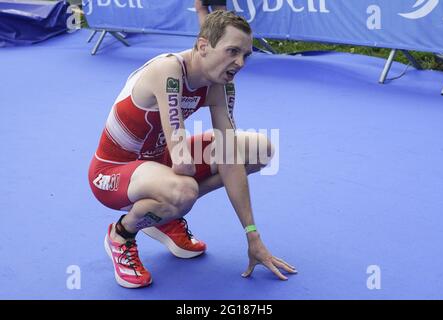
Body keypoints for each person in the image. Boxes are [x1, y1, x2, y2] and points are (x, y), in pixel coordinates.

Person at [88, 10, 296, 288]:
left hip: (158, 167)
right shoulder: (169, 71)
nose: (240, 63)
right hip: (111, 174)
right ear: (202, 46)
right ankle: (122, 233)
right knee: (184, 190)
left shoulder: (222, 84)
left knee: (260, 150)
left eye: (246, 55)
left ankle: (162, 216)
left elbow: (230, 157)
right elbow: (182, 162)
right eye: (232, 51)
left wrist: (252, 235)